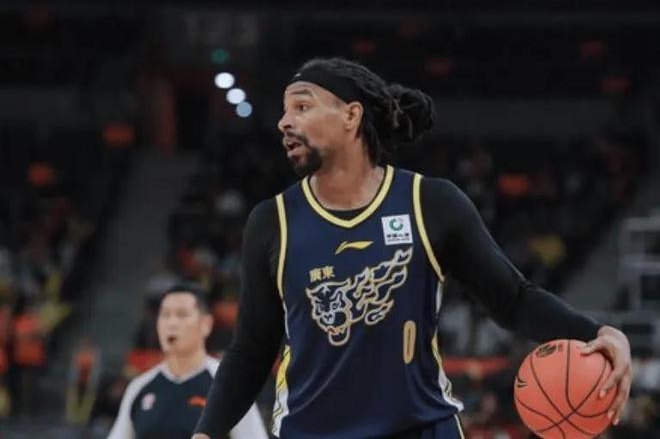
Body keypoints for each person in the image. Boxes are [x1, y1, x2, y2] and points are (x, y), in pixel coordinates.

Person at [193, 58, 633, 439]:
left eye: (302, 107)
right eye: (285, 110)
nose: (284, 122)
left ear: (351, 115)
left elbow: (512, 299)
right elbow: (251, 349)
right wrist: (207, 432)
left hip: (422, 427)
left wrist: (598, 333)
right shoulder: (272, 221)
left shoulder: (429, 203)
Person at [108, 285, 268, 439]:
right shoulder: (139, 387)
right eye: (165, 315)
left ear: (206, 324)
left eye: (182, 314)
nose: (171, 323)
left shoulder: (228, 383)